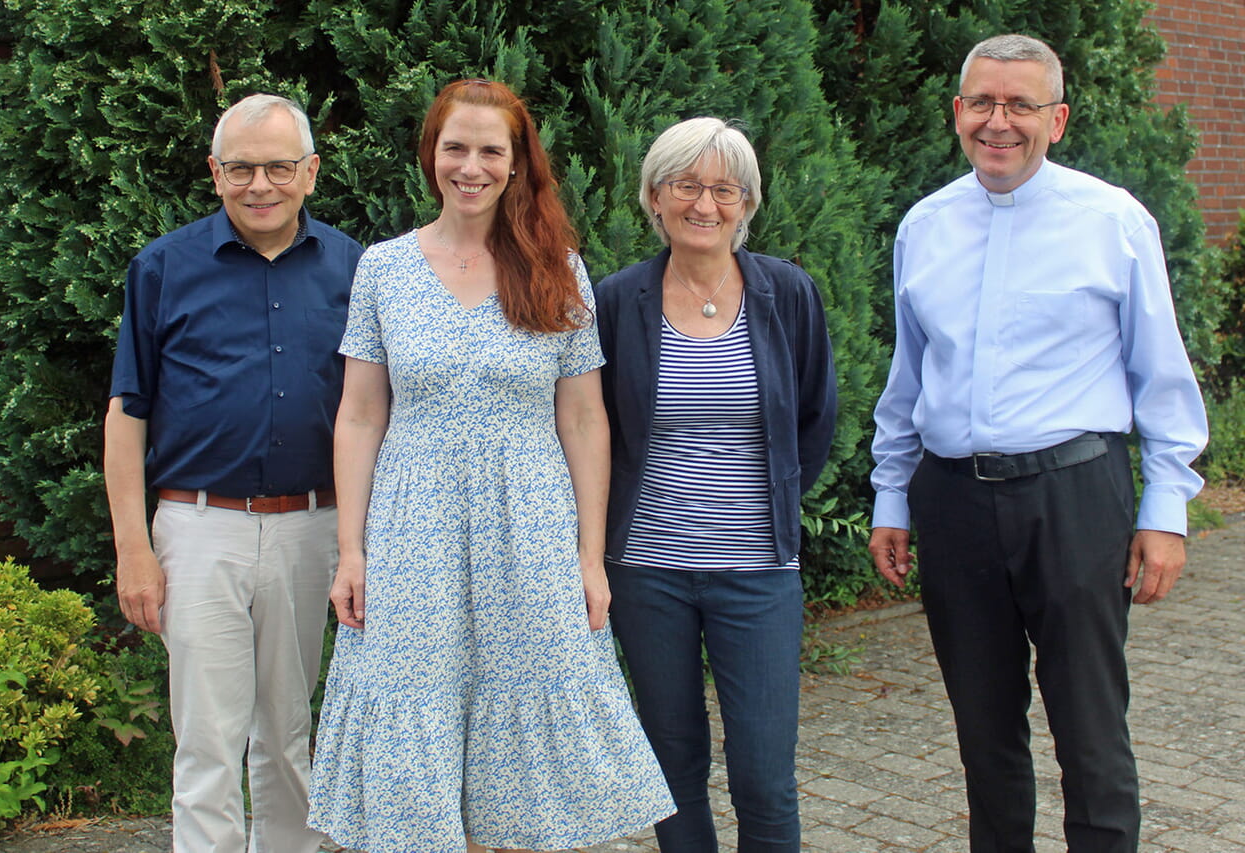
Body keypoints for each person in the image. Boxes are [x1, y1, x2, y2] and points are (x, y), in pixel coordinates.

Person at [305, 79, 673, 853]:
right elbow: (361, 413)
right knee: (417, 716)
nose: (470, 166)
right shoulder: (384, 269)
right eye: (455, 147)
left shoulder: (558, 269)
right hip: (413, 530)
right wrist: (350, 550)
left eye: (490, 151)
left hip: (530, 526)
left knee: (527, 757)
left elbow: (582, 418)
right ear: (430, 155)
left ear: (516, 165)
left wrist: (589, 556)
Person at [868, 34, 1209, 853]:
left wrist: (1166, 510)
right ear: (958, 113)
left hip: (1075, 499)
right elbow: (908, 382)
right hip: (953, 502)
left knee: (1091, 732)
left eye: (1021, 104)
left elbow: (1162, 376)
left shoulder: (1114, 221)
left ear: (1056, 118)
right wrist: (891, 496)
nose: (1000, 121)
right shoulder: (925, 227)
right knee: (984, 734)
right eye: (983, 101)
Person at [104, 93, 363, 853]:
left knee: (287, 735)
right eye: (241, 168)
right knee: (207, 740)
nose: (261, 185)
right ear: (214, 174)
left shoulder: (355, 267)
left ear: (310, 172)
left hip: (312, 526)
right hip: (198, 526)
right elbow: (128, 412)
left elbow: (373, 411)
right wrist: (132, 549)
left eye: (279, 167)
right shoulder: (162, 267)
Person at [594, 117, 838, 853]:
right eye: (686, 185)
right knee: (672, 765)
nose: (705, 204)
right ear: (654, 198)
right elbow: (594, 427)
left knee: (766, 776)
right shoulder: (615, 301)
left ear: (747, 202)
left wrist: (770, 509)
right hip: (647, 571)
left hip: (759, 570)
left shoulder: (787, 294)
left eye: (723, 188)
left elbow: (816, 417)